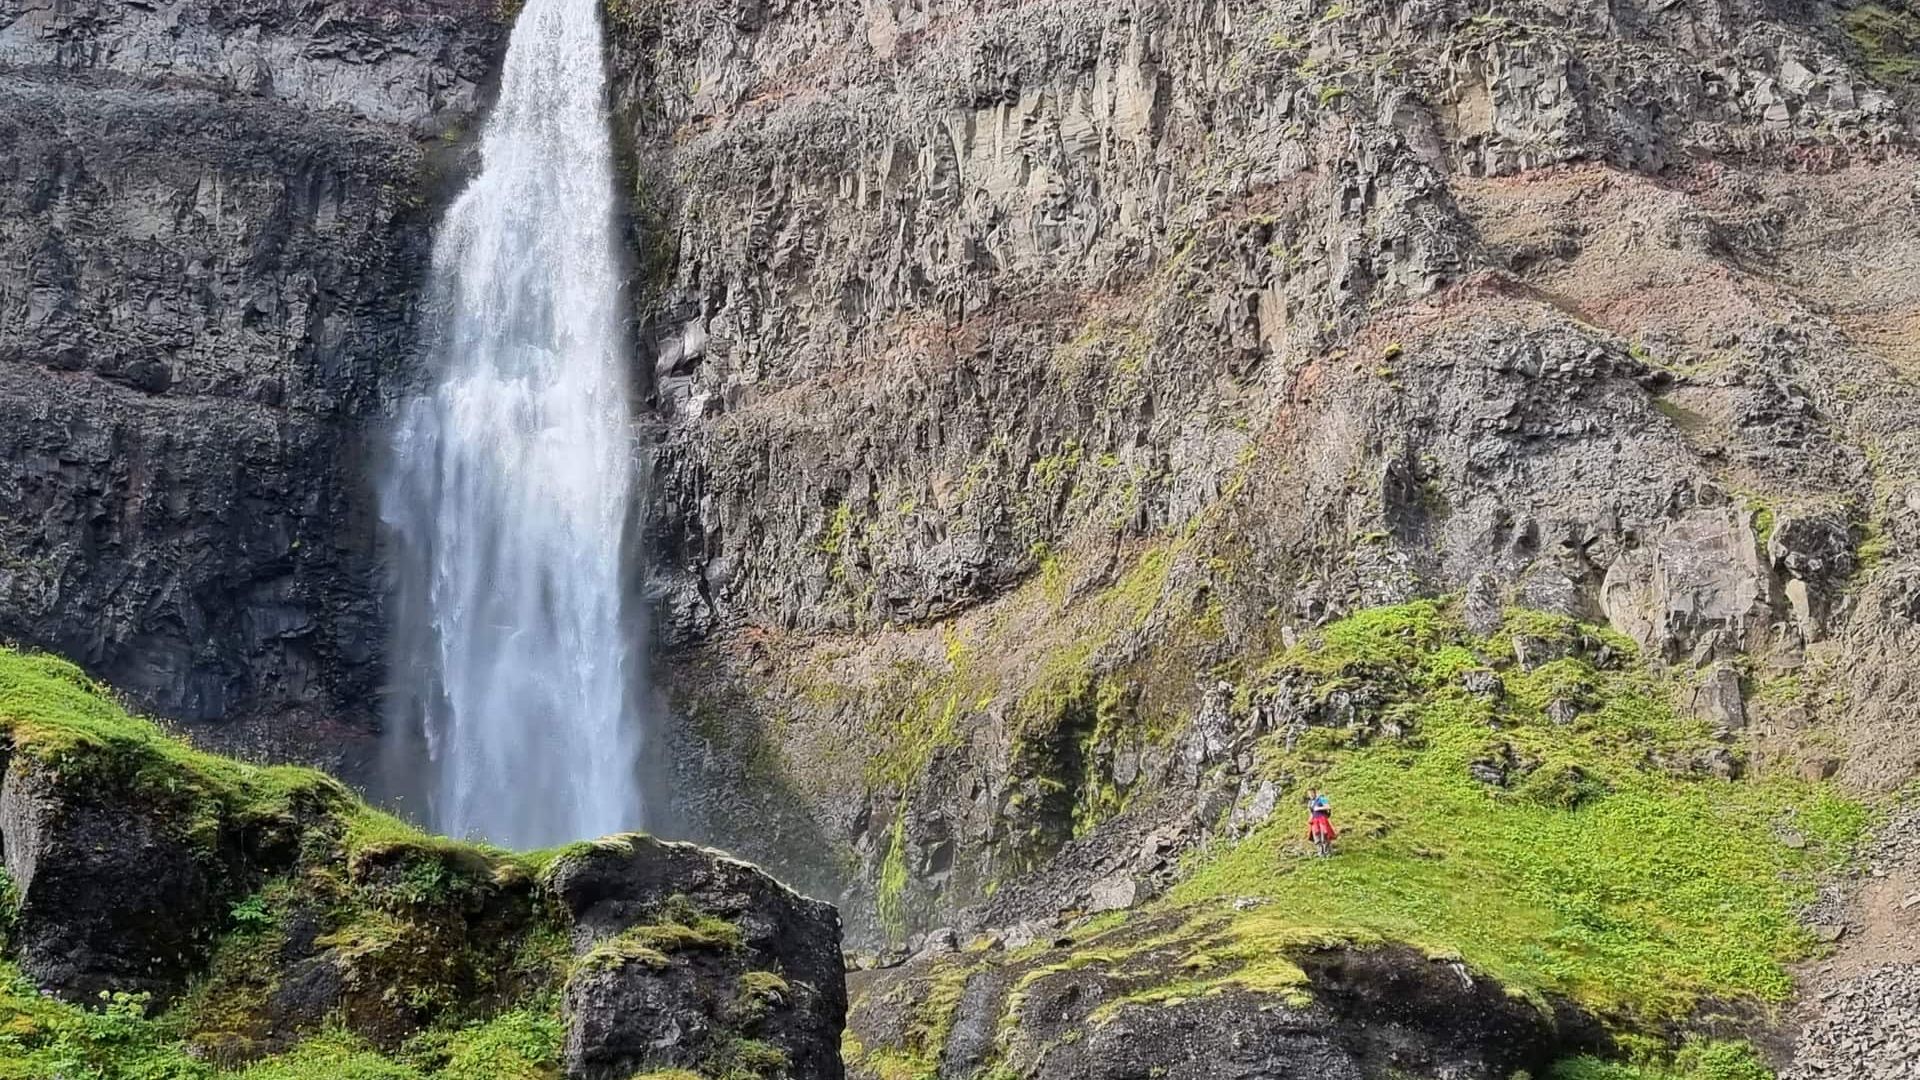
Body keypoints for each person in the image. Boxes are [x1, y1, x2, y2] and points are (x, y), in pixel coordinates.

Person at [1305, 787, 1336, 852]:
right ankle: (1320, 853)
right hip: (1314, 821)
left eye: (1311, 793)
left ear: (1314, 793)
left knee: (1324, 835)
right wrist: (1310, 819)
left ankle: (1327, 852)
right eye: (1309, 794)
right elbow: (1311, 812)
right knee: (1317, 837)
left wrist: (1319, 808)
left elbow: (1328, 806)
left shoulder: (1322, 799)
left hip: (1322, 819)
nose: (1310, 795)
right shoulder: (1310, 802)